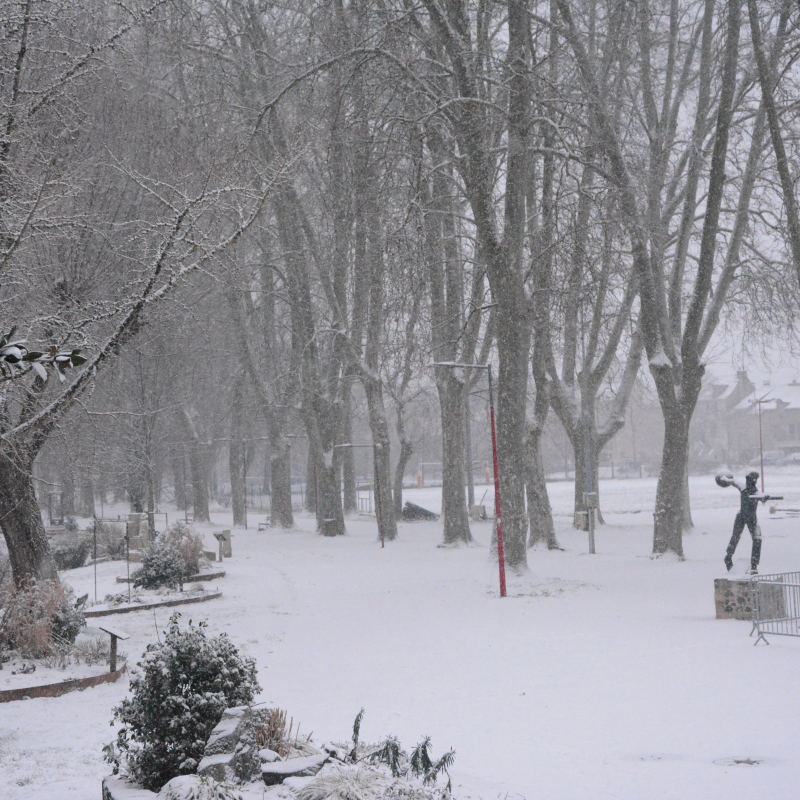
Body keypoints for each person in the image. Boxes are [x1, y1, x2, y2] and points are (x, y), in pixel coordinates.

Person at [718, 471, 768, 575]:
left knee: (757, 538)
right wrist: (724, 479)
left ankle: (754, 565)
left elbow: (761, 496)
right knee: (736, 536)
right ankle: (728, 556)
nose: (750, 483)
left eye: (752, 481)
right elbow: (733, 481)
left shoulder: (755, 492)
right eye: (748, 480)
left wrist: (765, 497)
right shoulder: (743, 487)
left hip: (752, 518)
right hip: (741, 516)